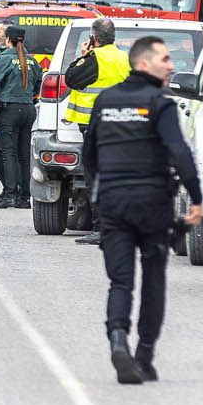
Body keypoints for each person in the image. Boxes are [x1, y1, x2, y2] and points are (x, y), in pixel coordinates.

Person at [82, 35, 203, 385]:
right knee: (153, 281)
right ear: (143, 63)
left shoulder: (105, 101)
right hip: (152, 204)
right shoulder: (159, 102)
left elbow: (89, 157)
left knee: (120, 282)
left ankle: (118, 340)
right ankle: (144, 356)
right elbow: (180, 153)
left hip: (113, 204)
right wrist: (196, 199)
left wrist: (96, 199)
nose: (171, 65)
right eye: (165, 59)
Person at [63, 17, 129, 246]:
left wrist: (82, 56)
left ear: (94, 38)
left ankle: (102, 228)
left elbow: (71, 79)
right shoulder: (124, 58)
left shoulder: (95, 58)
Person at [0, 24, 38, 209]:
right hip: (28, 109)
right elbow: (38, 85)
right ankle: (24, 197)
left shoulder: (5, 58)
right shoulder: (32, 60)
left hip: (9, 110)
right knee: (24, 155)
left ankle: (10, 194)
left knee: (9, 154)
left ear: (8, 39)